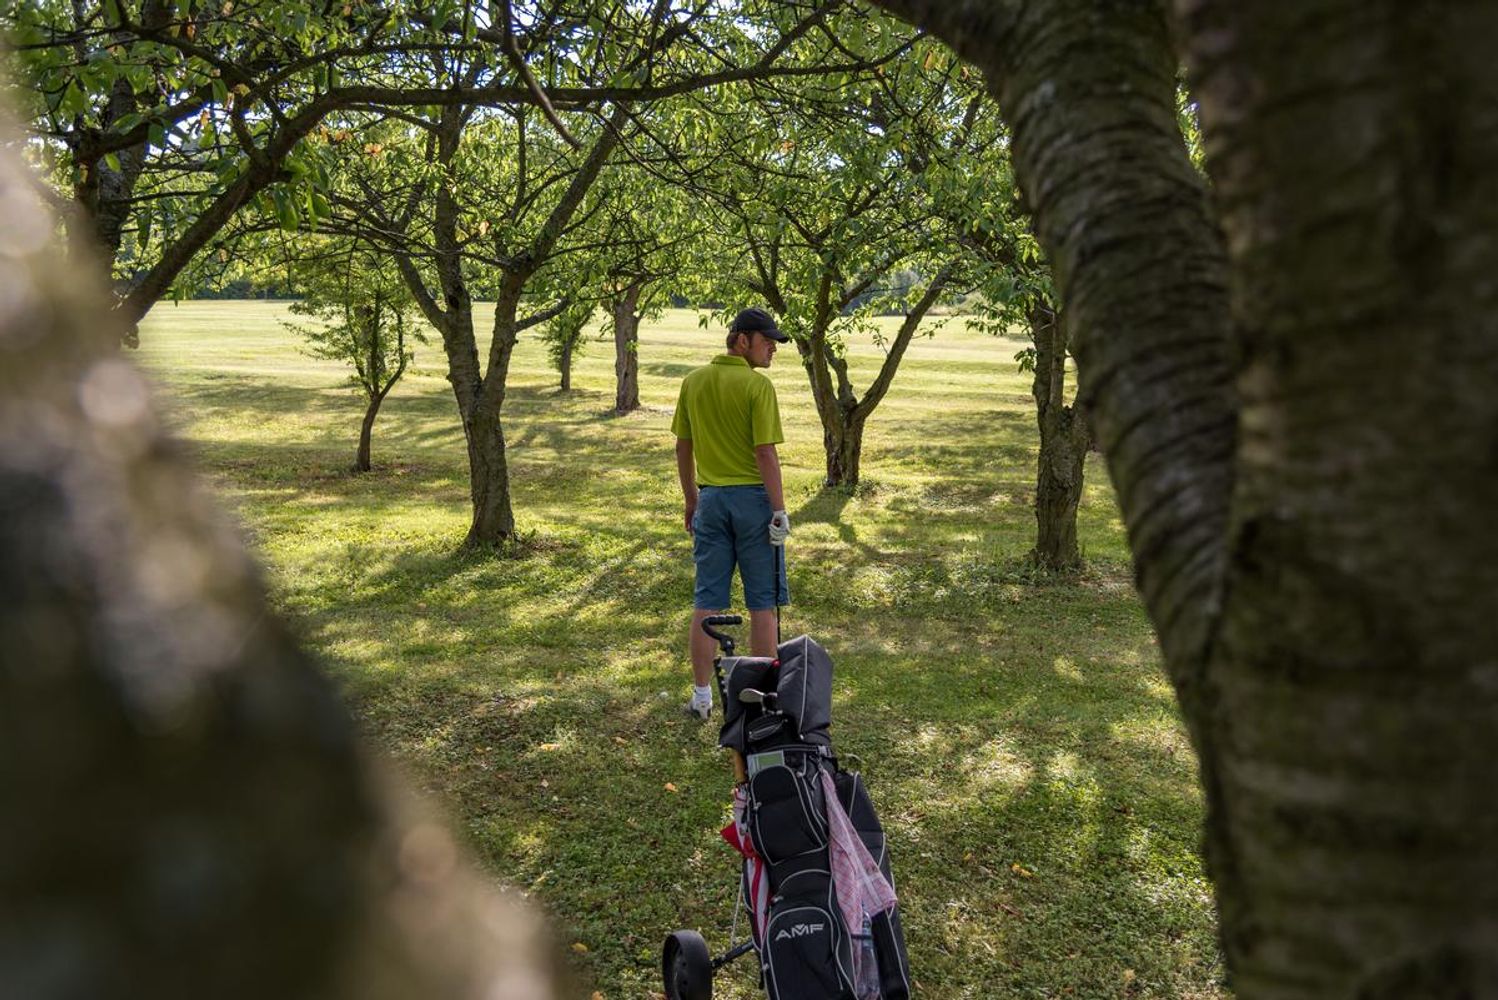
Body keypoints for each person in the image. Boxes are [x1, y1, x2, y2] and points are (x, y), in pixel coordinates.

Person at [672, 307, 792, 720]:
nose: (772, 349)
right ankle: (762, 700)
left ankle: (702, 696)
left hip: (711, 500)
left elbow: (683, 446)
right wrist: (779, 510)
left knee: (707, 600)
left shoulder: (694, 382)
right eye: (767, 342)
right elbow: (765, 453)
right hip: (754, 503)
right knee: (762, 602)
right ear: (742, 340)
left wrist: (691, 499)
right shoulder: (757, 387)